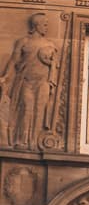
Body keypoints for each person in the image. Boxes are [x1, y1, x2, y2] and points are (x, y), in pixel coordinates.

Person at [0, 12, 59, 149]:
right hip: (26, 81)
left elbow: (55, 64)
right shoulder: (23, 42)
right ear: (36, 25)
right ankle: (22, 140)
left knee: (39, 111)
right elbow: (14, 60)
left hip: (42, 82)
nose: (46, 27)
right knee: (26, 108)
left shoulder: (50, 44)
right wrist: (6, 77)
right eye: (44, 24)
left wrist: (51, 62)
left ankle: (34, 143)